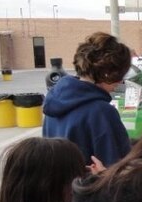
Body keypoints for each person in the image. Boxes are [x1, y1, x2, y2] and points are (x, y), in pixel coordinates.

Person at [42, 31, 132, 168]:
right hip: (91, 187)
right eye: (120, 77)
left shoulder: (53, 104)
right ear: (108, 74)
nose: (120, 83)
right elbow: (117, 168)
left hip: (60, 186)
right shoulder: (101, 112)